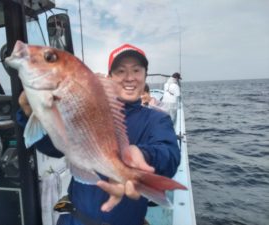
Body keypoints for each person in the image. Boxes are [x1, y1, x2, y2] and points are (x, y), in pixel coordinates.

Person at [17, 43, 181, 225]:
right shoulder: (89, 108)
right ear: (110, 77)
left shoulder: (156, 120)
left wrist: (143, 155)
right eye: (120, 71)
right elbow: (56, 148)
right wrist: (28, 114)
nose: (129, 78)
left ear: (144, 76)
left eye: (136, 70)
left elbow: (170, 156)